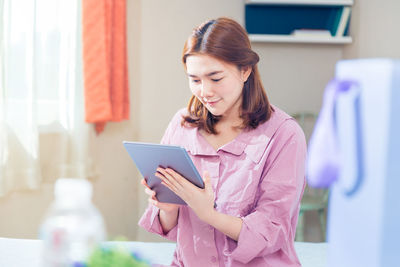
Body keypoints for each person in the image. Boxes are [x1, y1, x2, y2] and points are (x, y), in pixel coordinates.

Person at [138, 17, 306, 267]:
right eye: (195, 80)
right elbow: (167, 225)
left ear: (245, 70)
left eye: (215, 78)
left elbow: (273, 230)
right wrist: (168, 207)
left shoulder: (284, 134)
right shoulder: (181, 125)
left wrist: (208, 214)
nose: (205, 91)